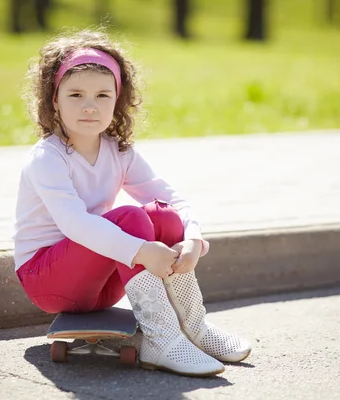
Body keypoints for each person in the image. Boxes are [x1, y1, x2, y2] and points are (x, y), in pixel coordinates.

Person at [13, 29, 252, 377]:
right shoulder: (46, 158)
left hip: (99, 283)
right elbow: (74, 223)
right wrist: (141, 251)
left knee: (163, 216)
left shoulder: (118, 150)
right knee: (129, 218)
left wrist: (194, 238)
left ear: (118, 100)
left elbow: (170, 197)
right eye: (75, 94)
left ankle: (192, 328)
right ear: (54, 100)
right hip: (48, 281)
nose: (90, 105)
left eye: (102, 95)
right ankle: (161, 340)